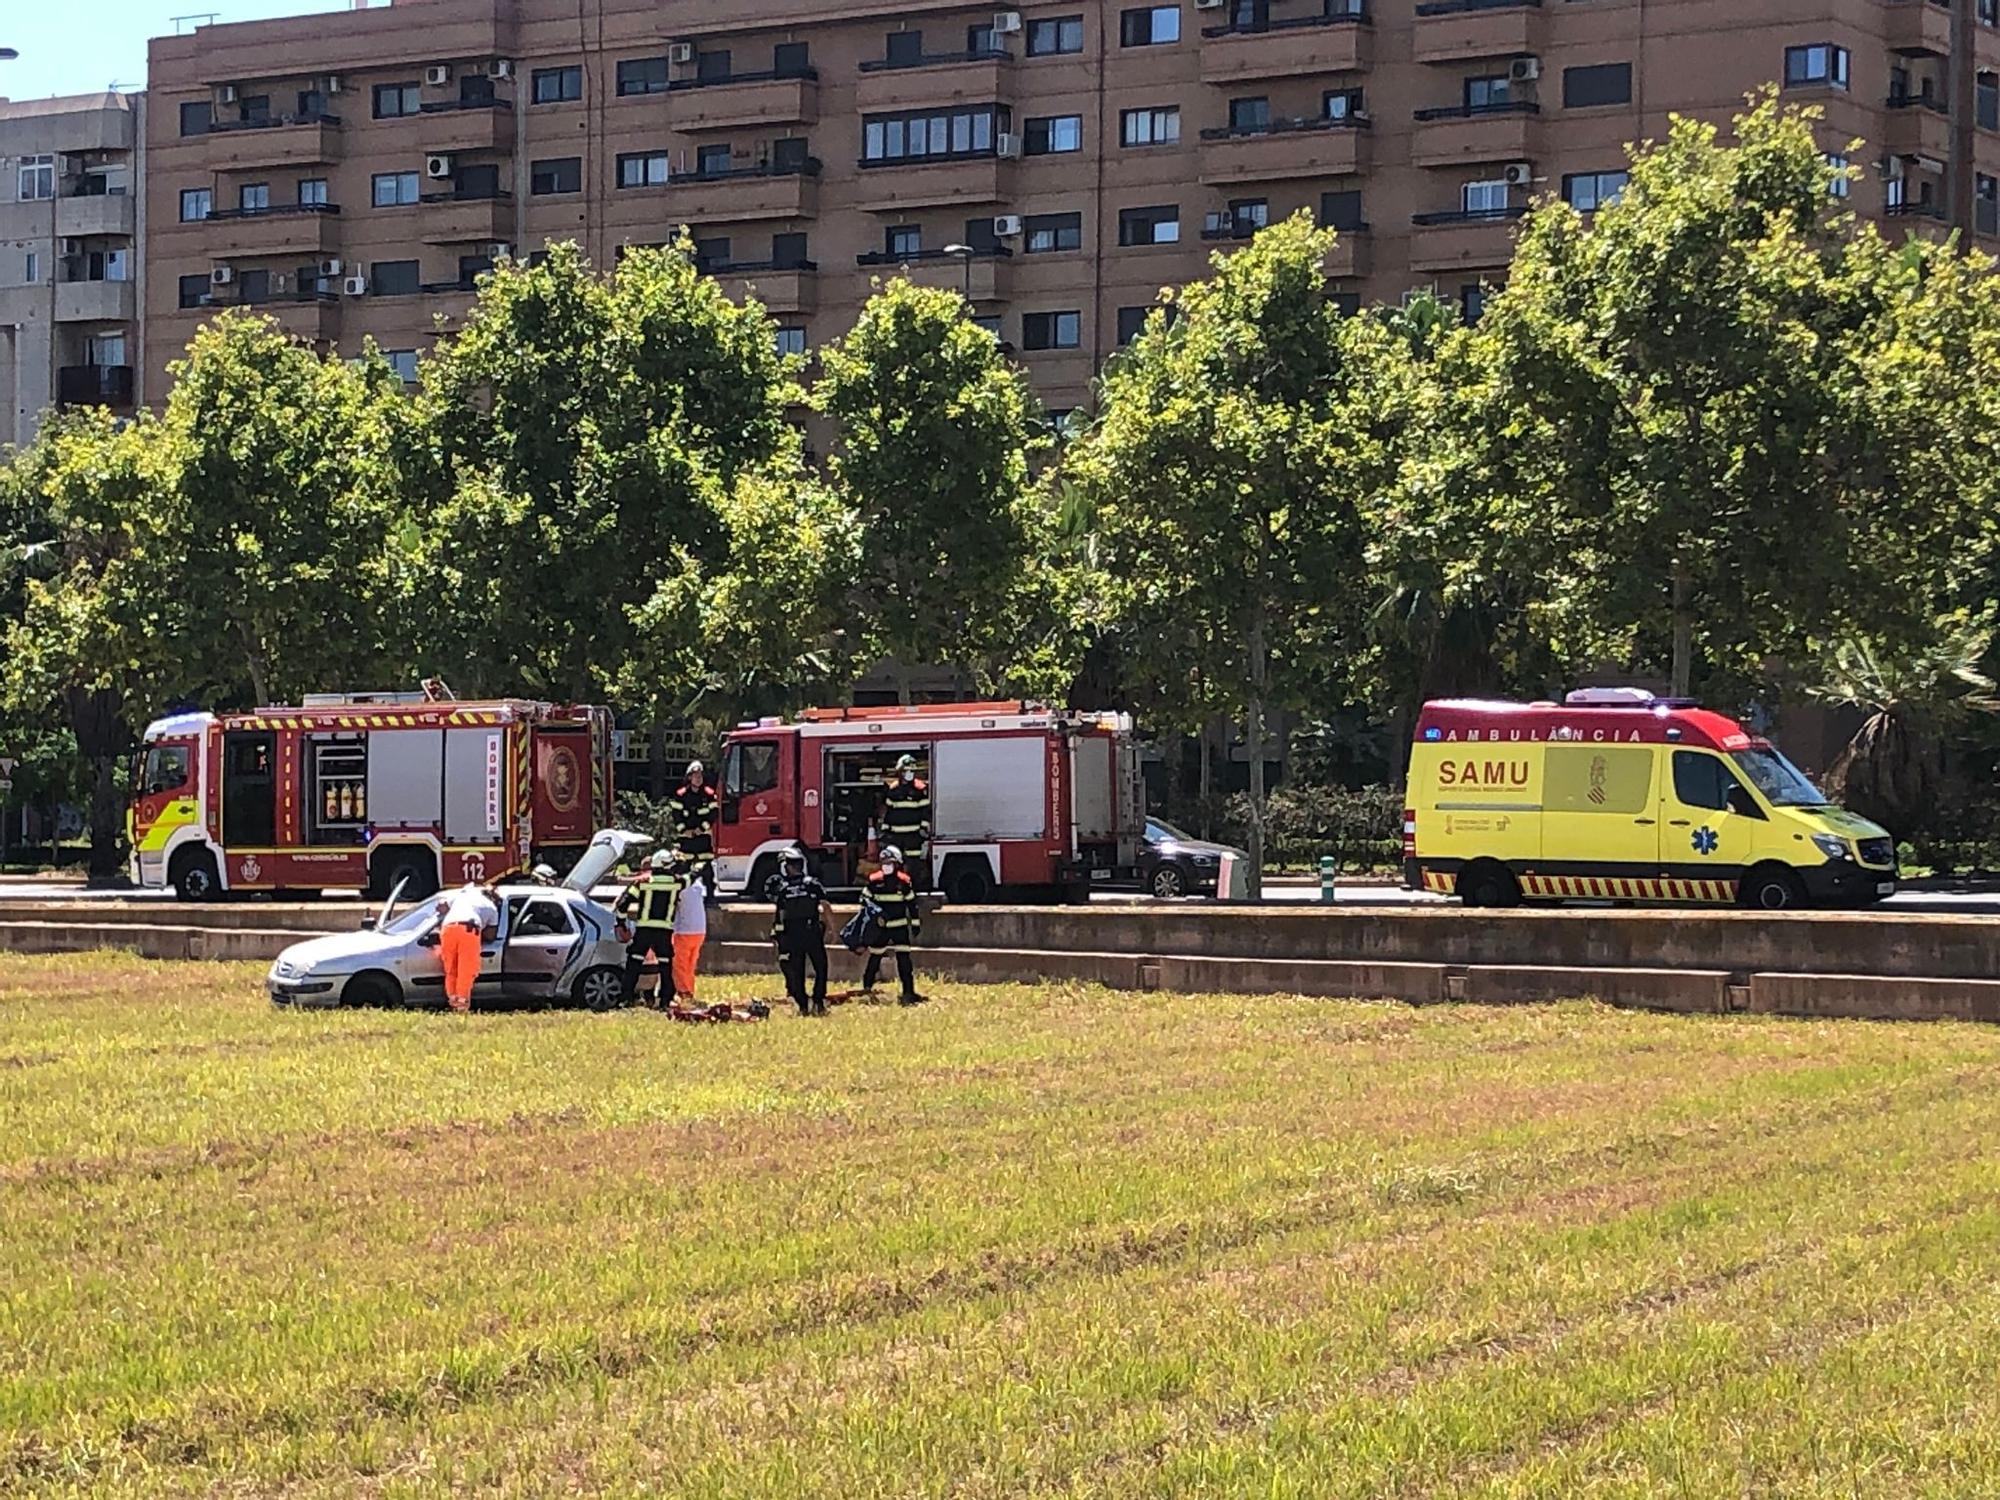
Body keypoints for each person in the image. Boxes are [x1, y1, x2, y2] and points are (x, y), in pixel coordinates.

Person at [614, 850, 694, 1006]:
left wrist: (621, 923)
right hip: (664, 932)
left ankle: (626, 998)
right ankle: (665, 1000)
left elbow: (622, 905)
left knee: (634, 965)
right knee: (665, 967)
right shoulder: (677, 882)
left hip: (644, 930)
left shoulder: (643, 883)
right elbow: (691, 877)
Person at [766, 844, 833, 1016]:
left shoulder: (783, 889)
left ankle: (803, 1005)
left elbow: (779, 914)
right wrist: (832, 928)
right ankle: (818, 1001)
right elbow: (826, 906)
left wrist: (779, 937)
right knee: (821, 967)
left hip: (793, 934)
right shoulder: (812, 884)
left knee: (797, 971)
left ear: (787, 866)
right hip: (811, 932)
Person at [861, 844, 926, 1006]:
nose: (887, 865)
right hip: (880, 928)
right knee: (874, 957)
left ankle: (908, 992)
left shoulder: (904, 882)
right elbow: (864, 899)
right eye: (884, 862)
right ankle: (866, 988)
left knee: (904, 961)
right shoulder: (874, 880)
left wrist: (915, 924)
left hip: (899, 928)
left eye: (890, 862)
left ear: (897, 864)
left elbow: (912, 904)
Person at [434, 881, 498, 1014]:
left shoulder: (463, 895)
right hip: (469, 931)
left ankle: (453, 1001)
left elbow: (441, 906)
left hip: (447, 929)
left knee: (451, 968)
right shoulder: (491, 907)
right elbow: (491, 936)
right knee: (466, 969)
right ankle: (462, 1005)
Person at [670, 759, 721, 897]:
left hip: (702, 837)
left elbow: (714, 814)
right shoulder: (681, 795)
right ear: (689, 777)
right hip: (686, 838)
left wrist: (701, 829)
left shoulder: (709, 795)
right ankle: (681, 896)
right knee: (683, 867)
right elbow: (676, 815)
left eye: (700, 776)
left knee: (706, 867)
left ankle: (710, 896)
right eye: (696, 776)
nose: (698, 778)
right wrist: (684, 830)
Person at [880, 755, 931, 890]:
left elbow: (926, 811)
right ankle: (898, 888)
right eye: (906, 771)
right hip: (896, 836)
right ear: (900, 772)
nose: (909, 774)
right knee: (896, 863)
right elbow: (888, 812)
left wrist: (923, 829)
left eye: (911, 771)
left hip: (913, 836)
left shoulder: (920, 789)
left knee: (914, 865)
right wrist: (885, 831)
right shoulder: (893, 789)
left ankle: (913, 889)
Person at [670, 850, 707, 1006]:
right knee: (691, 963)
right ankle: (689, 990)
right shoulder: (697, 885)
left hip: (684, 930)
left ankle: (683, 993)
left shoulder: (679, 886)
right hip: (700, 930)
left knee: (680, 964)